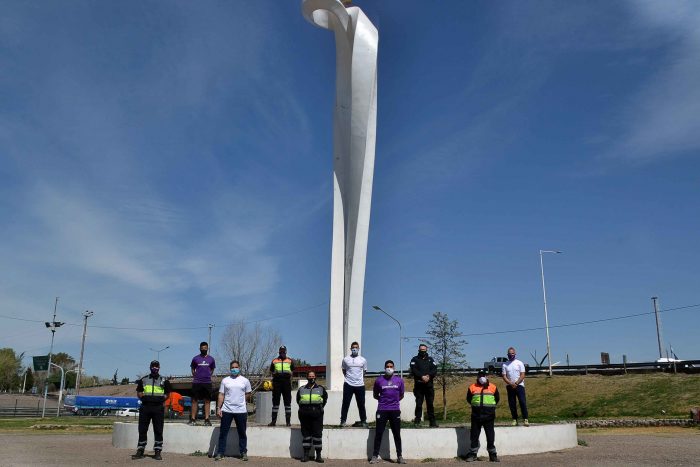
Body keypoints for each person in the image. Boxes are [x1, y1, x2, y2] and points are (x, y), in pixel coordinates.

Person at [133, 360, 171, 461]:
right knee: (142, 429)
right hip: (145, 407)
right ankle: (140, 450)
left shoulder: (164, 380)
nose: (155, 368)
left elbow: (168, 394)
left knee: (158, 430)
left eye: (156, 366)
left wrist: (161, 399)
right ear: (150, 367)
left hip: (158, 408)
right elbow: (139, 392)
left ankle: (158, 451)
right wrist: (144, 398)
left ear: (159, 367)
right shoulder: (144, 379)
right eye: (153, 366)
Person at [214, 360, 251, 462]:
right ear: (230, 369)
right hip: (227, 410)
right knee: (223, 433)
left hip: (241, 411)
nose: (234, 369)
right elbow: (221, 394)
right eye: (232, 368)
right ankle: (220, 453)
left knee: (242, 433)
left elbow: (248, 393)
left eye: (236, 367)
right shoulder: (225, 380)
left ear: (239, 368)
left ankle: (243, 452)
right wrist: (218, 408)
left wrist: (242, 401)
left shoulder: (245, 380)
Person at [370, 360, 406, 465]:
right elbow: (375, 395)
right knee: (379, 433)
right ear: (385, 368)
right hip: (382, 409)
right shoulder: (379, 380)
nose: (389, 368)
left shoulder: (399, 381)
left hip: (395, 410)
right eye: (387, 366)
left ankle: (399, 456)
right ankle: (375, 456)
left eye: (391, 366)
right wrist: (383, 401)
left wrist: (394, 402)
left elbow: (402, 395)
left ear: (394, 368)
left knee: (397, 434)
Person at [465, 369, 500, 462]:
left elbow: (497, 399)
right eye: (480, 375)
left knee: (490, 436)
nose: (481, 377)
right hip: (476, 416)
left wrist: (490, 409)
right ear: (477, 377)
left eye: (483, 375)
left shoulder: (493, 387)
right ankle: (473, 454)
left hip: (489, 416)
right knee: (474, 436)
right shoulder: (472, 387)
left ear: (486, 376)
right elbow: (469, 399)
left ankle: (493, 455)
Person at [297, 371, 328, 463]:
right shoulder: (301, 389)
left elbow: (325, 400)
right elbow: (298, 400)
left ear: (315, 377)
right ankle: (306, 455)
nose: (311, 377)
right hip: (304, 415)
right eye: (310, 376)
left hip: (317, 415)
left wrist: (319, 409)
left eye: (313, 376)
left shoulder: (321, 389)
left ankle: (318, 456)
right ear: (307, 377)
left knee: (317, 435)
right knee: (306, 435)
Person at [409, 343, 438, 427]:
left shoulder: (430, 359)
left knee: (430, 404)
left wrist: (428, 375)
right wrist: (422, 376)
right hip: (419, 386)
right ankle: (417, 421)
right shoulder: (414, 359)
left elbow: (435, 369)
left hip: (429, 386)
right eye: (421, 350)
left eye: (424, 350)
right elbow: (414, 370)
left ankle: (432, 422)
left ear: (426, 350)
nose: (422, 352)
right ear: (418, 350)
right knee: (418, 404)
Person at [340, 341, 368, 427]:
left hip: (360, 385)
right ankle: (343, 421)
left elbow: (364, 372)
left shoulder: (363, 360)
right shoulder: (345, 359)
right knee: (345, 403)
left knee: (361, 404)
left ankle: (363, 421)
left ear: (359, 349)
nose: (354, 349)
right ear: (351, 349)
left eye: (356, 347)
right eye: (353, 348)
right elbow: (344, 370)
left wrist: (358, 379)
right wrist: (349, 378)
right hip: (348, 384)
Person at [190, 341, 216, 426]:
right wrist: (196, 376)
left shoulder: (211, 359)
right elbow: (193, 368)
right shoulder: (195, 358)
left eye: (205, 348)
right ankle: (193, 419)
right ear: (200, 349)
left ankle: (207, 419)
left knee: (207, 401)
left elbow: (212, 369)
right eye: (202, 348)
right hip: (197, 382)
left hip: (207, 382)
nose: (203, 349)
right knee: (194, 400)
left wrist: (208, 376)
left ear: (207, 348)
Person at [501, 346, 528, 426]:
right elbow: (504, 376)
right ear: (507, 354)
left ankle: (525, 419)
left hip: (519, 385)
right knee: (512, 403)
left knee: (522, 402)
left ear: (515, 354)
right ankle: (514, 419)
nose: (511, 355)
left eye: (512, 353)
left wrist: (516, 383)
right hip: (510, 386)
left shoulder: (519, 363)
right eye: (509, 354)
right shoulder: (505, 364)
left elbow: (522, 375)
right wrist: (510, 383)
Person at [269, 345, 294, 426]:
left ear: (286, 351)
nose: (282, 352)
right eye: (281, 351)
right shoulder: (274, 361)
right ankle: (273, 421)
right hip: (277, 383)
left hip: (286, 383)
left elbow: (292, 370)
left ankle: (288, 422)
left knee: (287, 402)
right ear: (279, 352)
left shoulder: (290, 360)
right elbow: (271, 370)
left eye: (283, 351)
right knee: (275, 402)